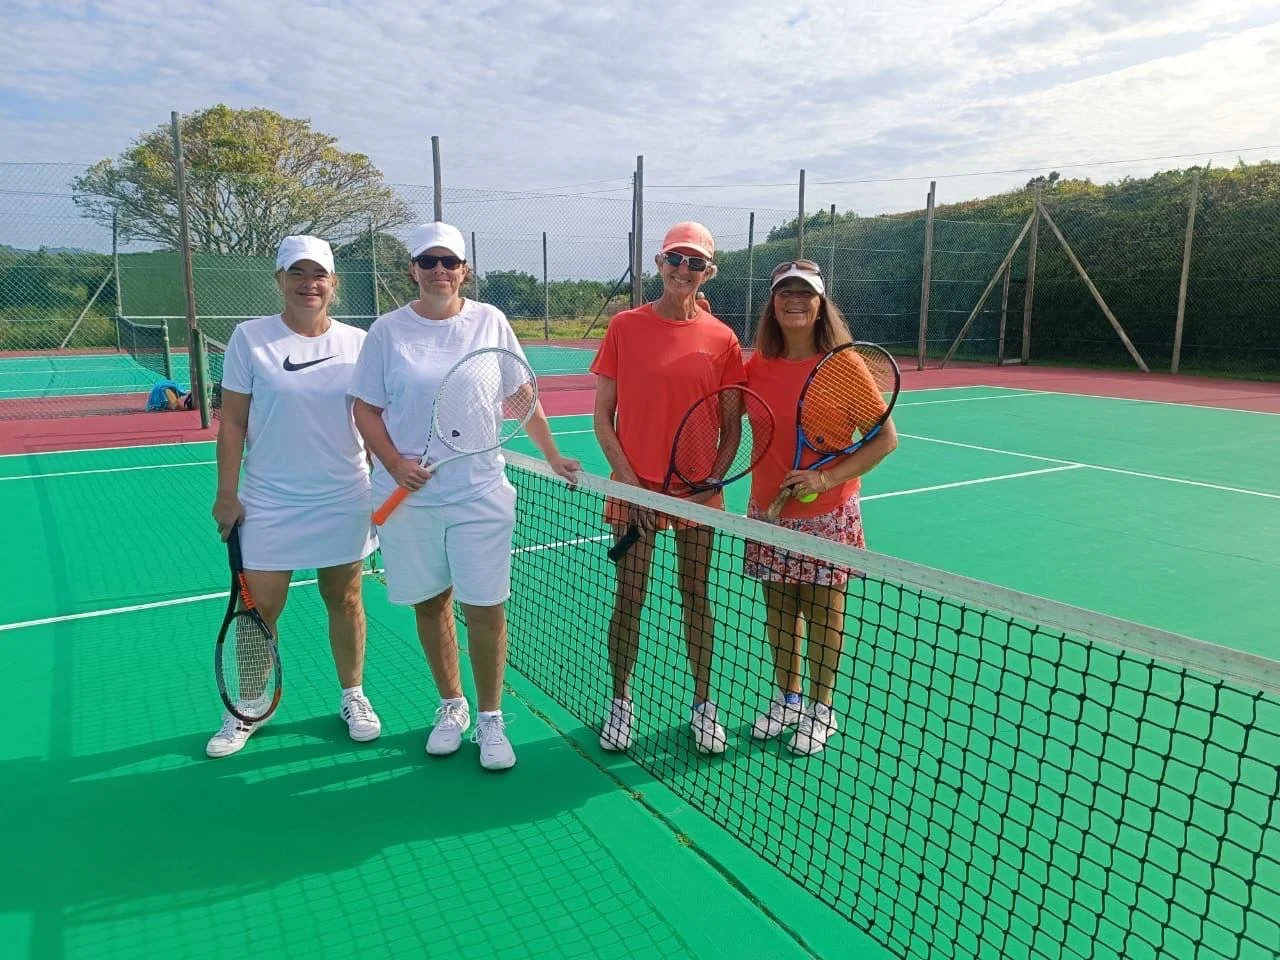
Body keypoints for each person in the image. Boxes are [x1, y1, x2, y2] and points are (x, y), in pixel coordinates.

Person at [349, 221, 579, 772]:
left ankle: (491, 719)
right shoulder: (386, 332)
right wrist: (396, 463)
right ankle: (451, 706)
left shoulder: (490, 322)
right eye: (428, 262)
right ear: (412, 270)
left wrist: (551, 455)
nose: (439, 271)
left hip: (480, 493)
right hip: (411, 497)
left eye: (449, 262)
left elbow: (519, 393)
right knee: (431, 603)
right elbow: (365, 409)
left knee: (485, 606)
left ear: (464, 270)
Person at [207, 235, 381, 759]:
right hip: (270, 501)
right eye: (298, 273)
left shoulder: (359, 343)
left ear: (334, 284)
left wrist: (389, 476)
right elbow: (233, 421)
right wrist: (226, 494)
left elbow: (373, 419)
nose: (310, 283)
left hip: (343, 495)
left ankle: (353, 695)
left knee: (345, 598)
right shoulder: (249, 339)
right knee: (259, 609)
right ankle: (250, 705)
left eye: (319, 274)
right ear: (280, 280)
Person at [592, 221, 746, 755]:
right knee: (630, 597)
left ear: (709, 272)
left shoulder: (723, 340)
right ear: (659, 263)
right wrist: (633, 487)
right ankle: (620, 703)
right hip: (634, 490)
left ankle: (705, 706)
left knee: (696, 595)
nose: (684, 270)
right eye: (675, 259)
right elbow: (603, 419)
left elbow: (733, 428)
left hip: (698, 496)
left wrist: (709, 486)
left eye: (695, 263)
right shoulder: (624, 328)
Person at [743, 259, 898, 755]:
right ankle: (788, 698)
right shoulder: (756, 366)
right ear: (772, 303)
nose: (794, 300)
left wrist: (825, 476)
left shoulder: (845, 366)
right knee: (779, 609)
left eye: (805, 293)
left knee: (824, 610)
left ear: (820, 304)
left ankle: (821, 708)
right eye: (784, 292)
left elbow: (884, 441)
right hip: (768, 510)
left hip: (829, 511)